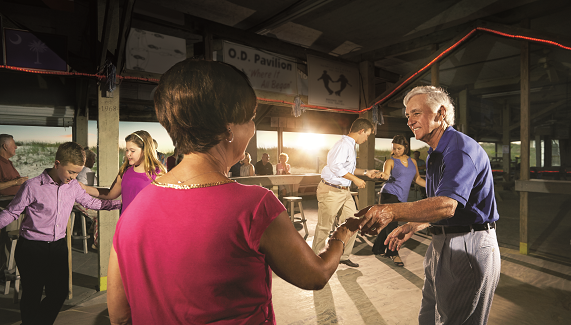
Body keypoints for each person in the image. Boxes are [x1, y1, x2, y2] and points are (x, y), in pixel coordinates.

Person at [106, 58, 364, 325]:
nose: (253, 128)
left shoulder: (134, 210)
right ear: (229, 128)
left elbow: (119, 315)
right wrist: (342, 233)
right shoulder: (254, 206)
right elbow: (316, 274)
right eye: (251, 119)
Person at [356, 86, 501, 324]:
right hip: (443, 240)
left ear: (441, 112)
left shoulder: (459, 150)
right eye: (407, 116)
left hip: (467, 244)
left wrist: (391, 210)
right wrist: (414, 224)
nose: (410, 121)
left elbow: (446, 206)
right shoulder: (436, 153)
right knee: (429, 316)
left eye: (415, 113)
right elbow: (440, 206)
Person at [0, 142, 121, 324]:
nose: (73, 177)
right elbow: (11, 212)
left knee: (59, 292)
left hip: (58, 247)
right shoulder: (32, 186)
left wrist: (121, 203)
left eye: (76, 173)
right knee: (32, 295)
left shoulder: (72, 186)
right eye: (70, 172)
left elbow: (92, 203)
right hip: (32, 248)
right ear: (57, 164)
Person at [311, 118, 381, 268]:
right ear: (361, 131)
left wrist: (366, 172)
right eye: (367, 135)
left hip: (344, 192)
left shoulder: (350, 145)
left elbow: (346, 168)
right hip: (331, 190)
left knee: (354, 223)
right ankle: (314, 260)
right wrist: (355, 180)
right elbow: (335, 166)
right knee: (324, 227)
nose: (366, 138)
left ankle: (343, 256)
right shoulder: (343, 145)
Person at [80, 130, 166, 214]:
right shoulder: (125, 171)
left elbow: (164, 205)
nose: (128, 154)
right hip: (125, 224)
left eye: (132, 151)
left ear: (145, 151)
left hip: (147, 225)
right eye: (127, 150)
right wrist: (85, 188)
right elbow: (110, 194)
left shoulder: (158, 174)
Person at [372, 135, 425, 267]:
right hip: (389, 194)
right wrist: (382, 175)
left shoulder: (412, 162)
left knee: (388, 224)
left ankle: (377, 248)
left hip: (402, 196)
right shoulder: (390, 162)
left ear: (405, 147)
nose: (396, 151)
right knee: (393, 225)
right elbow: (386, 175)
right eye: (394, 148)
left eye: (399, 148)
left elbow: (417, 179)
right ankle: (392, 253)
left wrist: (433, 185)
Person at [0, 134, 28, 279]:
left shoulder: (7, 162)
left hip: (14, 204)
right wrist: (16, 183)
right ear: (5, 146)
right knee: (9, 240)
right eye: (13, 144)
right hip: (5, 207)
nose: (16, 146)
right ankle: (9, 271)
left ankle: (13, 268)